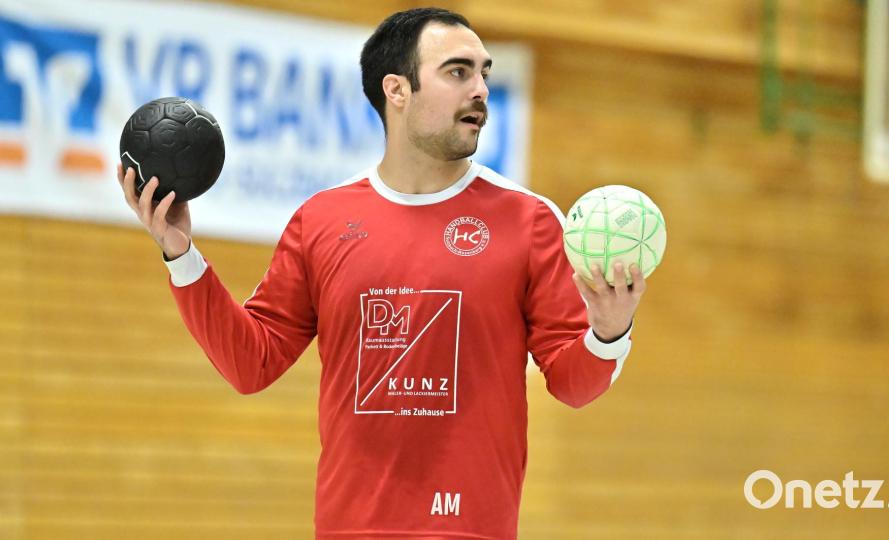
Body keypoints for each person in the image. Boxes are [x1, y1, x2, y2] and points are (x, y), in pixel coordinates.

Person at [116, 7, 645, 539]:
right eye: (458, 72)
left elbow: (573, 385)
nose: (481, 89)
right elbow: (251, 363)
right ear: (397, 89)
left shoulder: (529, 221)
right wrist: (182, 254)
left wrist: (608, 332)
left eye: (484, 72)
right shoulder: (321, 221)